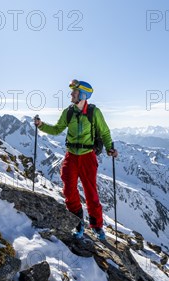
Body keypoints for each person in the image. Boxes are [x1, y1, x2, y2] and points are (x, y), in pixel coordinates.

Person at [34, 79, 118, 241]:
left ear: (83, 94)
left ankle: (97, 226)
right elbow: (57, 129)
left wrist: (110, 148)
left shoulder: (94, 112)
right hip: (71, 155)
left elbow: (105, 133)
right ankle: (77, 222)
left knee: (91, 192)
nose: (71, 94)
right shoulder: (69, 112)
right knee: (68, 189)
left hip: (87, 156)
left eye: (75, 91)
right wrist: (41, 125)